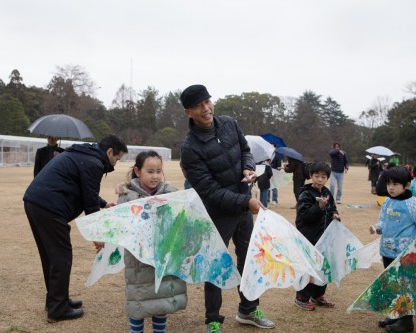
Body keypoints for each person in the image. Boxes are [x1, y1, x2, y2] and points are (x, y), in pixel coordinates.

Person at [179, 84, 274, 333]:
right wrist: (246, 202)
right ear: (188, 112)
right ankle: (213, 319)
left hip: (243, 206)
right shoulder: (190, 149)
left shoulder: (229, 123)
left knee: (248, 258)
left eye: (208, 101)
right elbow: (209, 191)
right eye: (199, 105)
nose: (206, 108)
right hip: (217, 213)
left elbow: (245, 150)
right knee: (215, 264)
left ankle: (248, 309)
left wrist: (248, 167)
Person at [23, 134, 128, 323]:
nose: (116, 163)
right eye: (117, 158)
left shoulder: (85, 155)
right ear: (109, 151)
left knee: (51, 257)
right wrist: (98, 237)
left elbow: (83, 189)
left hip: (35, 202)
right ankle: (57, 310)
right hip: (49, 207)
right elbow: (89, 201)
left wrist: (104, 204)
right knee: (61, 258)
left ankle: (57, 300)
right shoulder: (94, 163)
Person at [110, 150, 187, 333]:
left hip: (163, 257)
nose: (155, 176)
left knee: (161, 302)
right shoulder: (126, 197)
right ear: (138, 171)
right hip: (138, 261)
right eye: (150, 171)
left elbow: (180, 223)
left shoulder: (171, 195)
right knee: (138, 302)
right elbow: (122, 228)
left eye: (159, 171)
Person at [369, 166, 416, 333]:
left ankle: (406, 323)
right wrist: (377, 228)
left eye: (395, 184)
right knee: (392, 285)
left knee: (405, 287)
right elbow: (383, 221)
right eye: (389, 183)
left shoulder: (413, 204)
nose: (390, 187)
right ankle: (395, 315)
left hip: (406, 254)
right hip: (387, 251)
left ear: (407, 185)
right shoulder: (388, 201)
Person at [294, 162, 339, 311]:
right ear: (311, 176)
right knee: (310, 269)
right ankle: (301, 298)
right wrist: (319, 207)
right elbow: (304, 215)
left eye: (323, 177)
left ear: (327, 178)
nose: (320, 179)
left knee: (323, 267)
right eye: (316, 176)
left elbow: (332, 207)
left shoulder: (327, 192)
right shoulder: (305, 194)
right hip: (309, 238)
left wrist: (334, 214)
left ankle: (318, 295)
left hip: (324, 238)